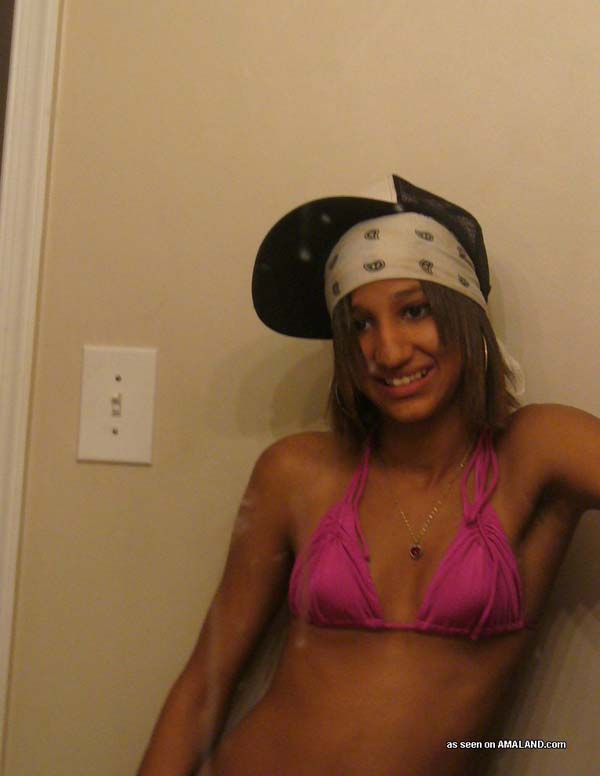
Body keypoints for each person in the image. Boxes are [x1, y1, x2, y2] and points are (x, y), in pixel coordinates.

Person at [138, 175, 600, 776]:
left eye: (414, 311)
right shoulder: (296, 472)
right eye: (359, 324)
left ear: (466, 316)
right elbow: (206, 681)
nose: (388, 351)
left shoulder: (538, 449)